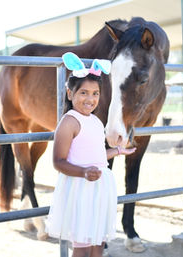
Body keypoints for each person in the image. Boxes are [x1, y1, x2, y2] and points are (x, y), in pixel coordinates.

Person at [46, 52, 136, 257]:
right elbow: (58, 162)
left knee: (98, 244)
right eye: (84, 93)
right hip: (81, 190)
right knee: (83, 246)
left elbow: (97, 156)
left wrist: (119, 150)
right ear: (70, 94)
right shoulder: (69, 122)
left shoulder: (95, 121)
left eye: (95, 93)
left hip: (100, 188)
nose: (90, 99)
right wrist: (84, 172)